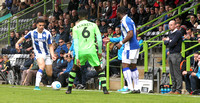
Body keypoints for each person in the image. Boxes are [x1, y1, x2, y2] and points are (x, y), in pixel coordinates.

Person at [65, 9, 109, 94]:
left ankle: (69, 89)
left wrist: (77, 57)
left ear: (78, 17)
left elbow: (76, 43)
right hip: (91, 50)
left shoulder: (75, 27)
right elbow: (99, 39)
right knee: (98, 68)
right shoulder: (93, 25)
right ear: (87, 16)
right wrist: (99, 51)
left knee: (74, 68)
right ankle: (105, 89)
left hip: (81, 51)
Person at [15, 19, 56, 90]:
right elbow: (23, 38)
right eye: (40, 25)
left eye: (43, 25)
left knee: (49, 73)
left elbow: (50, 45)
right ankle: (37, 86)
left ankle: (42, 80)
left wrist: (52, 54)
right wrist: (17, 43)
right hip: (38, 53)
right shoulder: (32, 33)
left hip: (47, 54)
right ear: (36, 25)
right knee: (42, 66)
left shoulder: (47, 33)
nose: (41, 27)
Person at [108, 6, 140, 93]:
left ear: (119, 13)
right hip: (135, 45)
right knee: (133, 66)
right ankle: (137, 88)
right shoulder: (130, 20)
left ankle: (129, 87)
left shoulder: (125, 21)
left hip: (129, 47)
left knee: (125, 65)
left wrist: (121, 43)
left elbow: (130, 34)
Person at [163, 20, 182, 94]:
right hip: (170, 53)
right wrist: (169, 41)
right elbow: (167, 43)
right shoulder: (170, 33)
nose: (170, 26)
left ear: (175, 25)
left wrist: (168, 41)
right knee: (172, 72)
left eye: (171, 25)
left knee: (177, 72)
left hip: (176, 54)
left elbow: (172, 43)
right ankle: (173, 89)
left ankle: (178, 89)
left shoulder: (178, 33)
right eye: (169, 25)